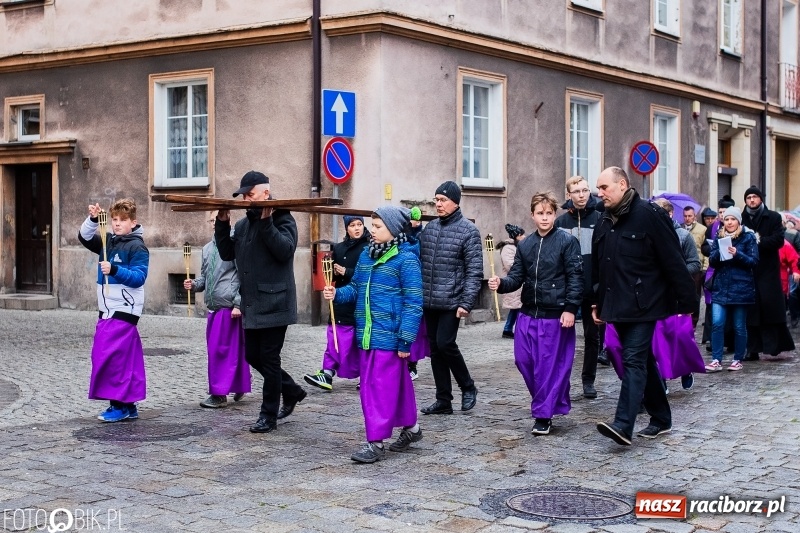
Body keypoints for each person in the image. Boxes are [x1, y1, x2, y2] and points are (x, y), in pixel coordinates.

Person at [591, 167, 696, 445]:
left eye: (604, 187)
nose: (599, 193)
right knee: (644, 361)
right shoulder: (604, 220)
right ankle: (661, 418)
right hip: (617, 305)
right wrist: (596, 302)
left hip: (646, 304)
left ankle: (623, 424)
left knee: (633, 359)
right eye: (598, 188)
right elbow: (599, 267)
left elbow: (673, 260)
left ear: (622, 184)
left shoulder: (650, 215)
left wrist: (687, 302)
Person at [323, 206, 424, 463]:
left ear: (394, 229)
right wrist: (337, 294)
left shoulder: (406, 260)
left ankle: (376, 442)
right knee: (396, 385)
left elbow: (414, 303)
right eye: (373, 226)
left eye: (378, 226)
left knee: (376, 390)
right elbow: (355, 288)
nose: (372, 231)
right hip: (367, 334)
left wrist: (406, 339)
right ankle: (412, 429)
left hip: (389, 336)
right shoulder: (367, 256)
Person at [215, 171, 307, 434]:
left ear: (266, 193)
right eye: (243, 195)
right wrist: (222, 224)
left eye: (250, 194)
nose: (246, 199)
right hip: (253, 303)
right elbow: (228, 253)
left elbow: (284, 251)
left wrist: (267, 222)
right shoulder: (244, 225)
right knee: (253, 356)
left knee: (269, 358)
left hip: (276, 302)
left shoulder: (284, 218)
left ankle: (268, 415)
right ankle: (291, 390)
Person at [489, 192, 582, 435]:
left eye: (549, 213)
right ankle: (547, 401)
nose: (545, 217)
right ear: (532, 215)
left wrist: (570, 309)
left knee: (547, 367)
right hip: (528, 313)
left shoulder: (567, 242)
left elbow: (575, 277)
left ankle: (543, 414)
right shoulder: (526, 244)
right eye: (540, 213)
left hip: (555, 316)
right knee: (523, 361)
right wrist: (501, 284)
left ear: (554, 214)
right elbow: (516, 277)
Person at [78, 199, 149, 423]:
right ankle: (128, 405)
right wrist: (92, 219)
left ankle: (118, 405)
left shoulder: (137, 247)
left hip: (124, 310)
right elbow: (84, 237)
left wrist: (115, 269)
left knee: (110, 357)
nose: (117, 224)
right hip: (107, 311)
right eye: (114, 220)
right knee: (122, 359)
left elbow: (139, 278)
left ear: (133, 222)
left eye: (123, 220)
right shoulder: (107, 240)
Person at [418, 181, 483, 415]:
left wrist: (466, 302)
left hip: (452, 300)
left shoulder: (468, 231)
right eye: (436, 200)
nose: (438, 204)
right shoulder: (430, 228)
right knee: (436, 349)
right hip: (430, 300)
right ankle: (443, 400)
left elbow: (474, 271)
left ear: (455, 202)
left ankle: (468, 386)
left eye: (443, 200)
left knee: (446, 343)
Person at [184, 212, 250, 408]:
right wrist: (194, 284)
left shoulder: (233, 244)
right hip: (214, 306)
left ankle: (219, 394)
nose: (214, 223)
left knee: (221, 352)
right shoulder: (206, 248)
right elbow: (205, 278)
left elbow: (244, 274)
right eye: (211, 220)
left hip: (229, 307)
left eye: (217, 220)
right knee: (221, 350)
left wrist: (238, 303)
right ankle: (238, 384)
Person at [303, 215, 370, 391]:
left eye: (360, 224)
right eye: (353, 225)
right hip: (339, 301)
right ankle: (327, 373)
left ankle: (365, 376)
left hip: (359, 303)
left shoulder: (368, 248)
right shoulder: (339, 248)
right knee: (335, 338)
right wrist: (329, 270)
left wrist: (346, 271)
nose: (357, 228)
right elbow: (331, 276)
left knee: (358, 342)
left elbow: (365, 275)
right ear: (346, 228)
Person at [555, 175, 604, 399]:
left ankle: (588, 380)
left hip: (593, 289)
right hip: (567, 290)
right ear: (569, 194)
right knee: (562, 337)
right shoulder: (561, 223)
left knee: (592, 337)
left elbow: (604, 256)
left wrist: (600, 286)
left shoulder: (600, 218)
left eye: (585, 190)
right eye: (577, 191)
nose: (582, 195)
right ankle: (560, 380)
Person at [741, 186, 796, 359]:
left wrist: (758, 241)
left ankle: (774, 345)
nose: (751, 200)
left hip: (768, 270)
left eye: (754, 197)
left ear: (760, 199)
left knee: (771, 309)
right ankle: (752, 349)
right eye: (748, 197)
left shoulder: (773, 217)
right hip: (748, 270)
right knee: (751, 312)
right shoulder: (741, 218)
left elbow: (778, 240)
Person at [704, 207, 759, 372]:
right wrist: (719, 253)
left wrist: (737, 254)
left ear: (738, 221)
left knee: (739, 326)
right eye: (726, 219)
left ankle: (738, 359)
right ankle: (716, 359)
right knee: (717, 324)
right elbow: (712, 260)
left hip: (741, 288)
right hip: (721, 287)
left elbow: (754, 261)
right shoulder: (719, 236)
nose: (729, 222)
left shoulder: (748, 237)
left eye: (732, 219)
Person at [498, 223, 525, 339]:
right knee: (517, 308)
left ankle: (508, 329)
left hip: (518, 282)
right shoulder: (508, 248)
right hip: (512, 281)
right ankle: (511, 329)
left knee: (517, 308)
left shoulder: (515, 246)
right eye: (522, 234)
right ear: (517, 235)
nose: (524, 236)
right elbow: (510, 265)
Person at [683, 206, 707, 329]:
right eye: (685, 216)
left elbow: (705, 249)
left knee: (696, 295)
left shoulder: (702, 229)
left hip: (698, 267)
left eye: (690, 216)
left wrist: (705, 267)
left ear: (694, 216)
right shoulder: (680, 229)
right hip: (684, 266)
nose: (687, 218)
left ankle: (694, 321)